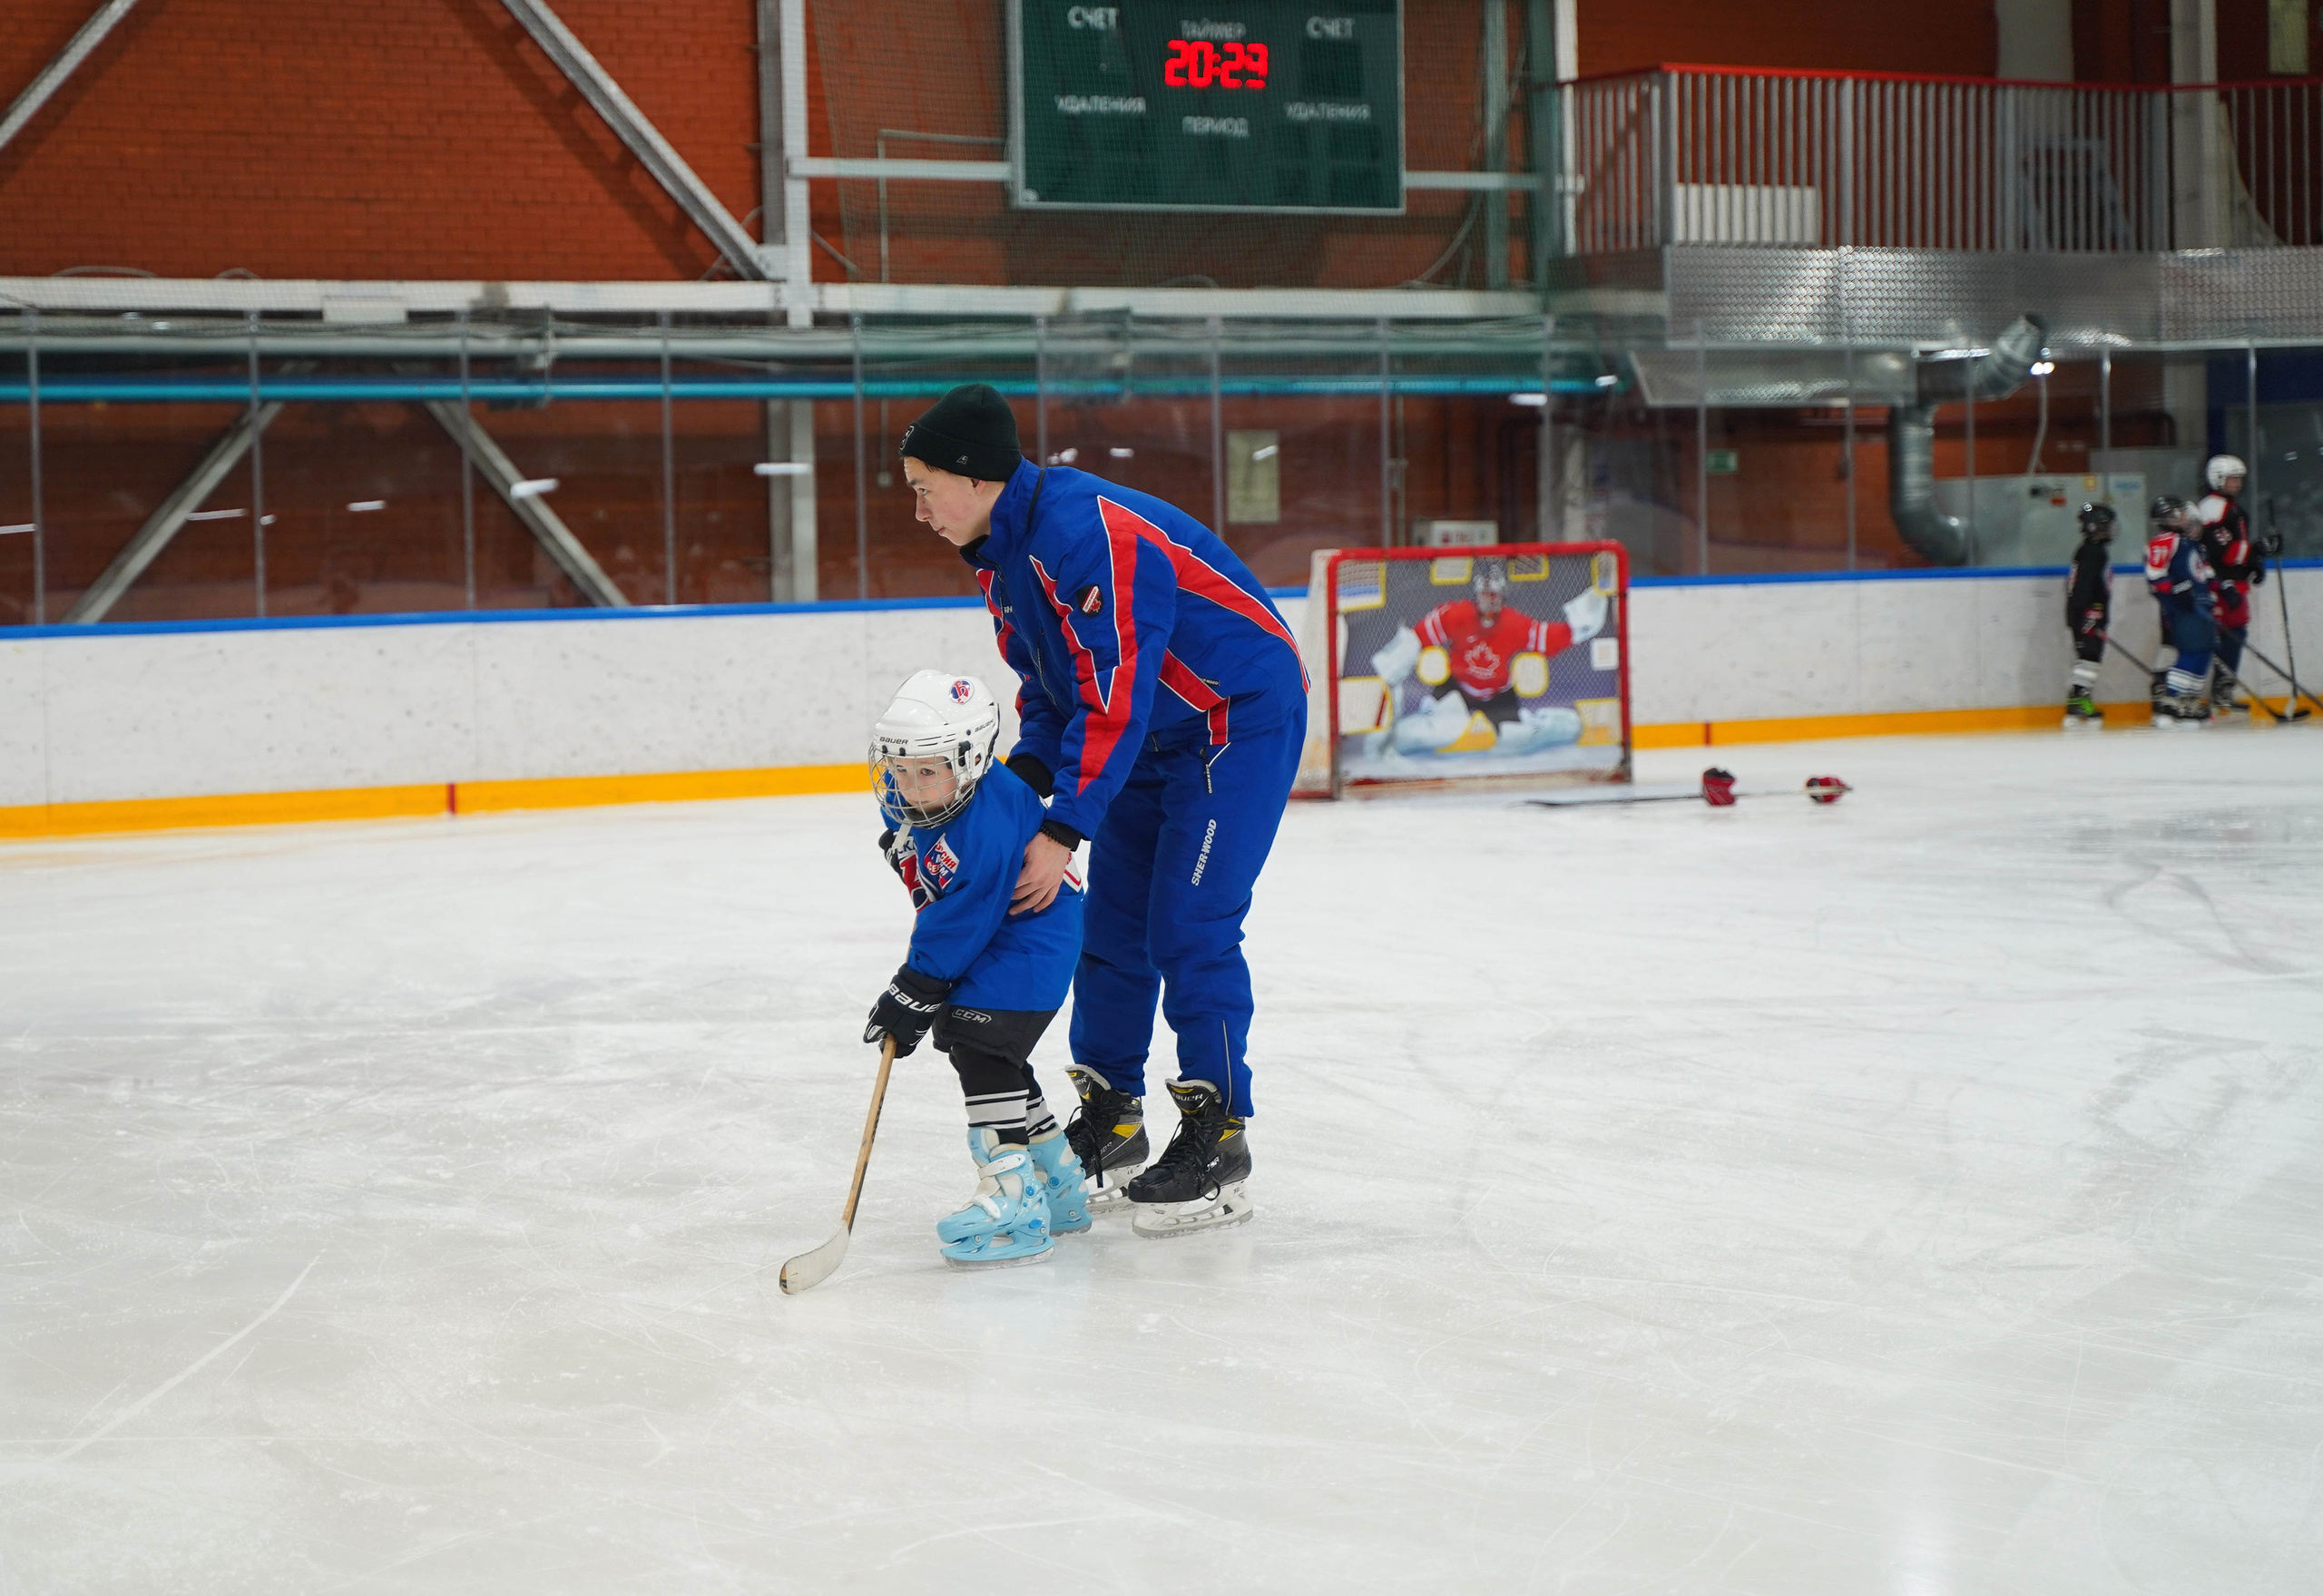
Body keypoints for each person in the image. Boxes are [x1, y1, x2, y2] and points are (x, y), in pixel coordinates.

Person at [897, 383, 1307, 1239]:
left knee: (1190, 926)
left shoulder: (1087, 534)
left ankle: (1218, 1133)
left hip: (1233, 721)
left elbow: (1112, 693)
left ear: (975, 479)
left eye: (924, 484)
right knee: (1111, 930)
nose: (919, 506)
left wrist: (1063, 827)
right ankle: (1113, 1119)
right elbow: (1055, 696)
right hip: (1150, 739)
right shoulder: (1004, 560)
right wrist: (1012, 806)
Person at [862, 669, 1093, 1269]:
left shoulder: (987, 818)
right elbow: (934, 875)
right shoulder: (937, 803)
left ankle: (1012, 1197)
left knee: (982, 1045)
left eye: (926, 771)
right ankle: (1060, 1182)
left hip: (1029, 942)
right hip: (1004, 940)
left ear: (967, 761)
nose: (908, 786)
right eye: (899, 770)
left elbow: (961, 918)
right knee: (992, 1051)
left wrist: (914, 988)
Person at [1366, 554, 1608, 757]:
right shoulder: (1456, 615)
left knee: (1514, 743)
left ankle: (1558, 723)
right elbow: (1417, 637)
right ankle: (1390, 738)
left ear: (1502, 595)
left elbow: (1549, 638)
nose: (1489, 599)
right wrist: (1395, 661)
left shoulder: (1513, 623)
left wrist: (1578, 626)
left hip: (1498, 695)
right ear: (1477, 593)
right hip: (1456, 688)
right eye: (1485, 593)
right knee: (1438, 733)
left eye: (1494, 595)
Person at [2195, 454, 2266, 713]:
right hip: (2218, 584)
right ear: (2217, 479)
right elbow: (2222, 553)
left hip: (2233, 584)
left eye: (2238, 479)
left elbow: (2238, 549)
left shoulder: (2234, 509)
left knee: (2235, 634)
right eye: (2231, 479)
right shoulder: (2212, 508)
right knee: (2220, 637)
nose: (2237, 484)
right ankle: (2214, 690)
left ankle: (2223, 689)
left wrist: (2254, 563)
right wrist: (2256, 550)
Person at [2144, 495, 2215, 728]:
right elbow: (2155, 577)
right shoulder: (2165, 541)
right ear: (2171, 516)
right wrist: (2176, 590)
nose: (2187, 519)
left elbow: (2203, 575)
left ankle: (2189, 699)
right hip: (2181, 609)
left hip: (2200, 606)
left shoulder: (2190, 544)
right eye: (2182, 514)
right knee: (2191, 650)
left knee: (2205, 651)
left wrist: (2219, 590)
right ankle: (2171, 699)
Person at [2063, 502, 2117, 729]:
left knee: (2090, 656)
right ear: (2094, 527)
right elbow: (2083, 588)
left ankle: (2079, 698)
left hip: (2087, 612)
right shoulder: (2092, 552)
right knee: (2089, 656)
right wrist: (2090, 612)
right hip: (2087, 613)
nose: (2110, 530)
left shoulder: (2091, 550)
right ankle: (2078, 700)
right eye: (2105, 526)